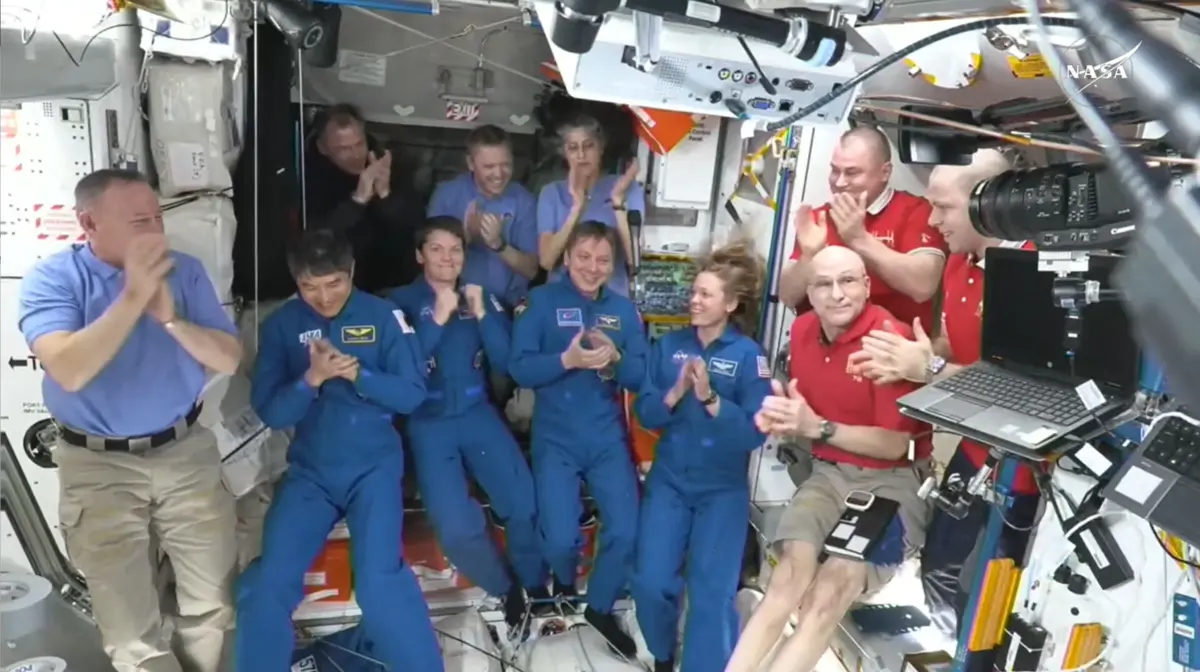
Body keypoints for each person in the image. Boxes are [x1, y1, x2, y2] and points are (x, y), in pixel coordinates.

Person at [17, 169, 242, 672]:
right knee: (127, 626)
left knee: (212, 604)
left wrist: (170, 318)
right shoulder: (54, 279)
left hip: (185, 453)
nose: (155, 231)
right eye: (139, 220)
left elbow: (228, 357)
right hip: (98, 467)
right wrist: (133, 297)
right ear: (88, 223)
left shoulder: (183, 271)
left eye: (158, 217)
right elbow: (70, 369)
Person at [845, 150, 1041, 636]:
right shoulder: (959, 263)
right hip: (973, 452)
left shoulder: (1034, 272)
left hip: (1018, 470)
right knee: (937, 568)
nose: (932, 221)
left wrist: (928, 366)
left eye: (944, 208)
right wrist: (910, 353)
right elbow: (961, 346)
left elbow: (1016, 388)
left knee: (981, 590)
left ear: (987, 203)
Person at [237, 229, 443, 671]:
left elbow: (411, 395)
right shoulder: (282, 326)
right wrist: (310, 379)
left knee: (379, 584)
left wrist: (359, 376)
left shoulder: (385, 316)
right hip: (312, 473)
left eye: (334, 283)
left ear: (351, 273)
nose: (324, 297)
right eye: (310, 287)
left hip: (374, 468)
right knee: (266, 581)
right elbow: (271, 412)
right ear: (296, 283)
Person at [726, 246, 932, 672]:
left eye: (848, 281)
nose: (837, 294)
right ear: (810, 291)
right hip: (829, 473)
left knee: (829, 593)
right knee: (786, 581)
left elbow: (894, 445)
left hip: (893, 482)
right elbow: (804, 409)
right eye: (823, 283)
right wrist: (785, 418)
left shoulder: (888, 341)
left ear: (867, 286)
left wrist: (817, 427)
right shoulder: (802, 331)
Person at [389, 216, 547, 632]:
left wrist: (483, 316)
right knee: (456, 528)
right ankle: (506, 588)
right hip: (429, 421)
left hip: (478, 413)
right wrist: (435, 321)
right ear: (419, 255)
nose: (447, 258)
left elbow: (505, 362)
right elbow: (403, 374)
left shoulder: (481, 297)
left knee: (523, 500)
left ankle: (535, 586)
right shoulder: (399, 304)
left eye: (455, 249)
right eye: (437, 249)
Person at [631, 241, 773, 672]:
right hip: (670, 483)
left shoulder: (750, 357)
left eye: (705, 295)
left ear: (730, 304)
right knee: (651, 582)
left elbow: (753, 433)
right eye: (693, 292)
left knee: (711, 595)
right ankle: (661, 653)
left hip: (721, 492)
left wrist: (710, 398)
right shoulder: (670, 345)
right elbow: (646, 412)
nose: (694, 300)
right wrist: (674, 393)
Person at [509, 221, 649, 657]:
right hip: (556, 436)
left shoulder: (624, 311)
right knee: (558, 538)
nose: (592, 267)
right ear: (567, 258)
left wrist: (617, 359)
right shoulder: (541, 302)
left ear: (613, 266)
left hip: (606, 436)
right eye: (584, 257)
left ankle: (601, 606)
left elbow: (641, 376)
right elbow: (519, 368)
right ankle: (565, 585)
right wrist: (565, 359)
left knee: (627, 530)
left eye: (603, 260)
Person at [777, 126, 946, 326]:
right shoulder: (819, 218)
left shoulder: (916, 211)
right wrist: (808, 256)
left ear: (885, 172)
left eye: (852, 172)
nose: (839, 182)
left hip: (892, 346)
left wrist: (859, 239)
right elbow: (787, 296)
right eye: (834, 170)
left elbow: (923, 286)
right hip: (823, 347)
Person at [305, 103, 424, 293]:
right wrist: (358, 200)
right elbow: (318, 239)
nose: (355, 155)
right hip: (341, 286)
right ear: (323, 148)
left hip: (393, 284)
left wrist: (385, 195)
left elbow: (415, 227)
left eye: (359, 144)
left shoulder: (386, 165)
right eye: (344, 149)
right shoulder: (309, 178)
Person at [427, 124, 540, 308]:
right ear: (470, 163)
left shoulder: (523, 200)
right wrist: (466, 236)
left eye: (506, 165)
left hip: (509, 307)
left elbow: (531, 270)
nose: (499, 174)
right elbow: (430, 265)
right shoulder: (446, 195)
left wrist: (498, 244)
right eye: (489, 166)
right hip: (456, 304)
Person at [535, 114, 642, 297]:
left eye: (589, 146)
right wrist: (576, 208)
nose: (581, 155)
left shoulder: (627, 188)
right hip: (561, 298)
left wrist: (617, 203)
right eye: (573, 148)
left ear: (601, 147)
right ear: (564, 153)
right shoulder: (551, 193)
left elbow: (634, 261)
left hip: (612, 300)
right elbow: (546, 261)